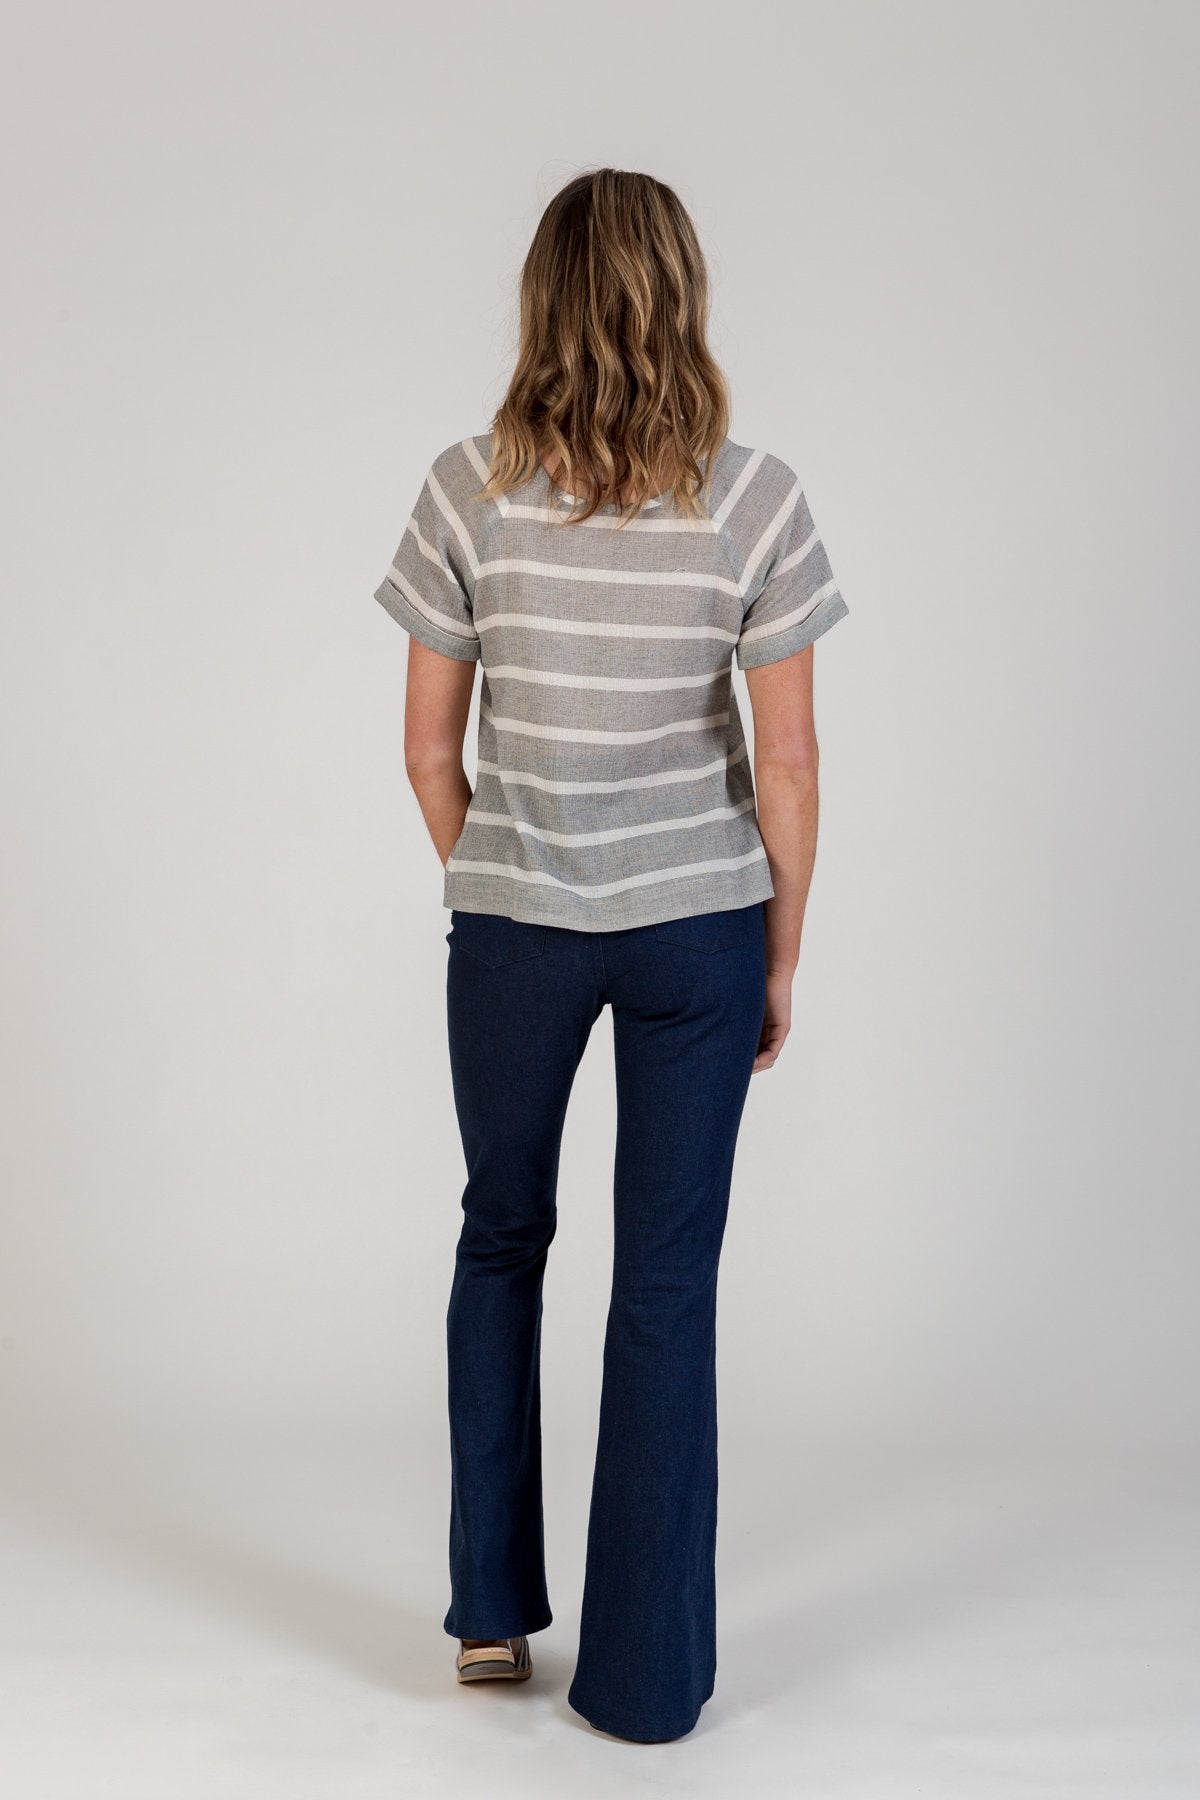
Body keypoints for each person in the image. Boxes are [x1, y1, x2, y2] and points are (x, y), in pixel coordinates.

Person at [372, 166, 850, 1744]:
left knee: (502, 1236)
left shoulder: (465, 490)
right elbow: (789, 768)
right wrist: (778, 951)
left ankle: (490, 1615)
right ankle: (645, 1686)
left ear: (541, 304)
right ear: (682, 300)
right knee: (665, 1282)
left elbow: (427, 751)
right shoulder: (756, 500)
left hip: (516, 927)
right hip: (697, 929)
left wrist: (507, 876)